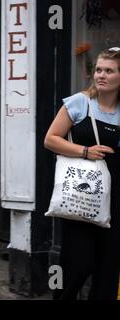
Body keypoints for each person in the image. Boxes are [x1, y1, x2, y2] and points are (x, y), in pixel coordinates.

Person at [44, 48, 120, 300]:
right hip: (83, 196)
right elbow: (51, 139)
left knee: (109, 270)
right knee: (79, 264)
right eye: (99, 69)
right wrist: (85, 151)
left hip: (116, 199)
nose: (101, 75)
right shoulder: (80, 102)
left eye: (109, 71)